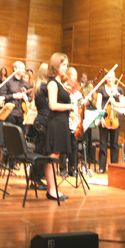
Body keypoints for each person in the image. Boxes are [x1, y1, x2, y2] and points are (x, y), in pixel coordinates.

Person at [44, 52, 73, 201]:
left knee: (56, 157)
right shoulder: (52, 83)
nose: (66, 68)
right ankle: (52, 190)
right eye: (63, 65)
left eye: (67, 65)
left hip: (61, 123)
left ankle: (53, 189)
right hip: (55, 123)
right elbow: (53, 105)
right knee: (53, 157)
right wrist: (70, 106)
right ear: (56, 65)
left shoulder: (60, 83)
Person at [96, 71, 124, 173]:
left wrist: (114, 102)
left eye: (112, 78)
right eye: (108, 78)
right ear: (106, 79)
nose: (110, 80)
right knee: (103, 143)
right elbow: (98, 105)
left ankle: (114, 167)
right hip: (104, 118)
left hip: (115, 119)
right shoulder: (101, 90)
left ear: (115, 78)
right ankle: (102, 167)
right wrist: (101, 117)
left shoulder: (119, 89)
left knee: (114, 144)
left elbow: (122, 104)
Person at [0, 61, 31, 129]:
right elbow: (1, 96)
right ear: (15, 68)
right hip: (10, 113)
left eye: (24, 68)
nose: (24, 71)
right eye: (22, 68)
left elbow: (30, 97)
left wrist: (27, 98)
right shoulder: (8, 81)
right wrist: (14, 96)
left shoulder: (26, 84)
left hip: (22, 114)